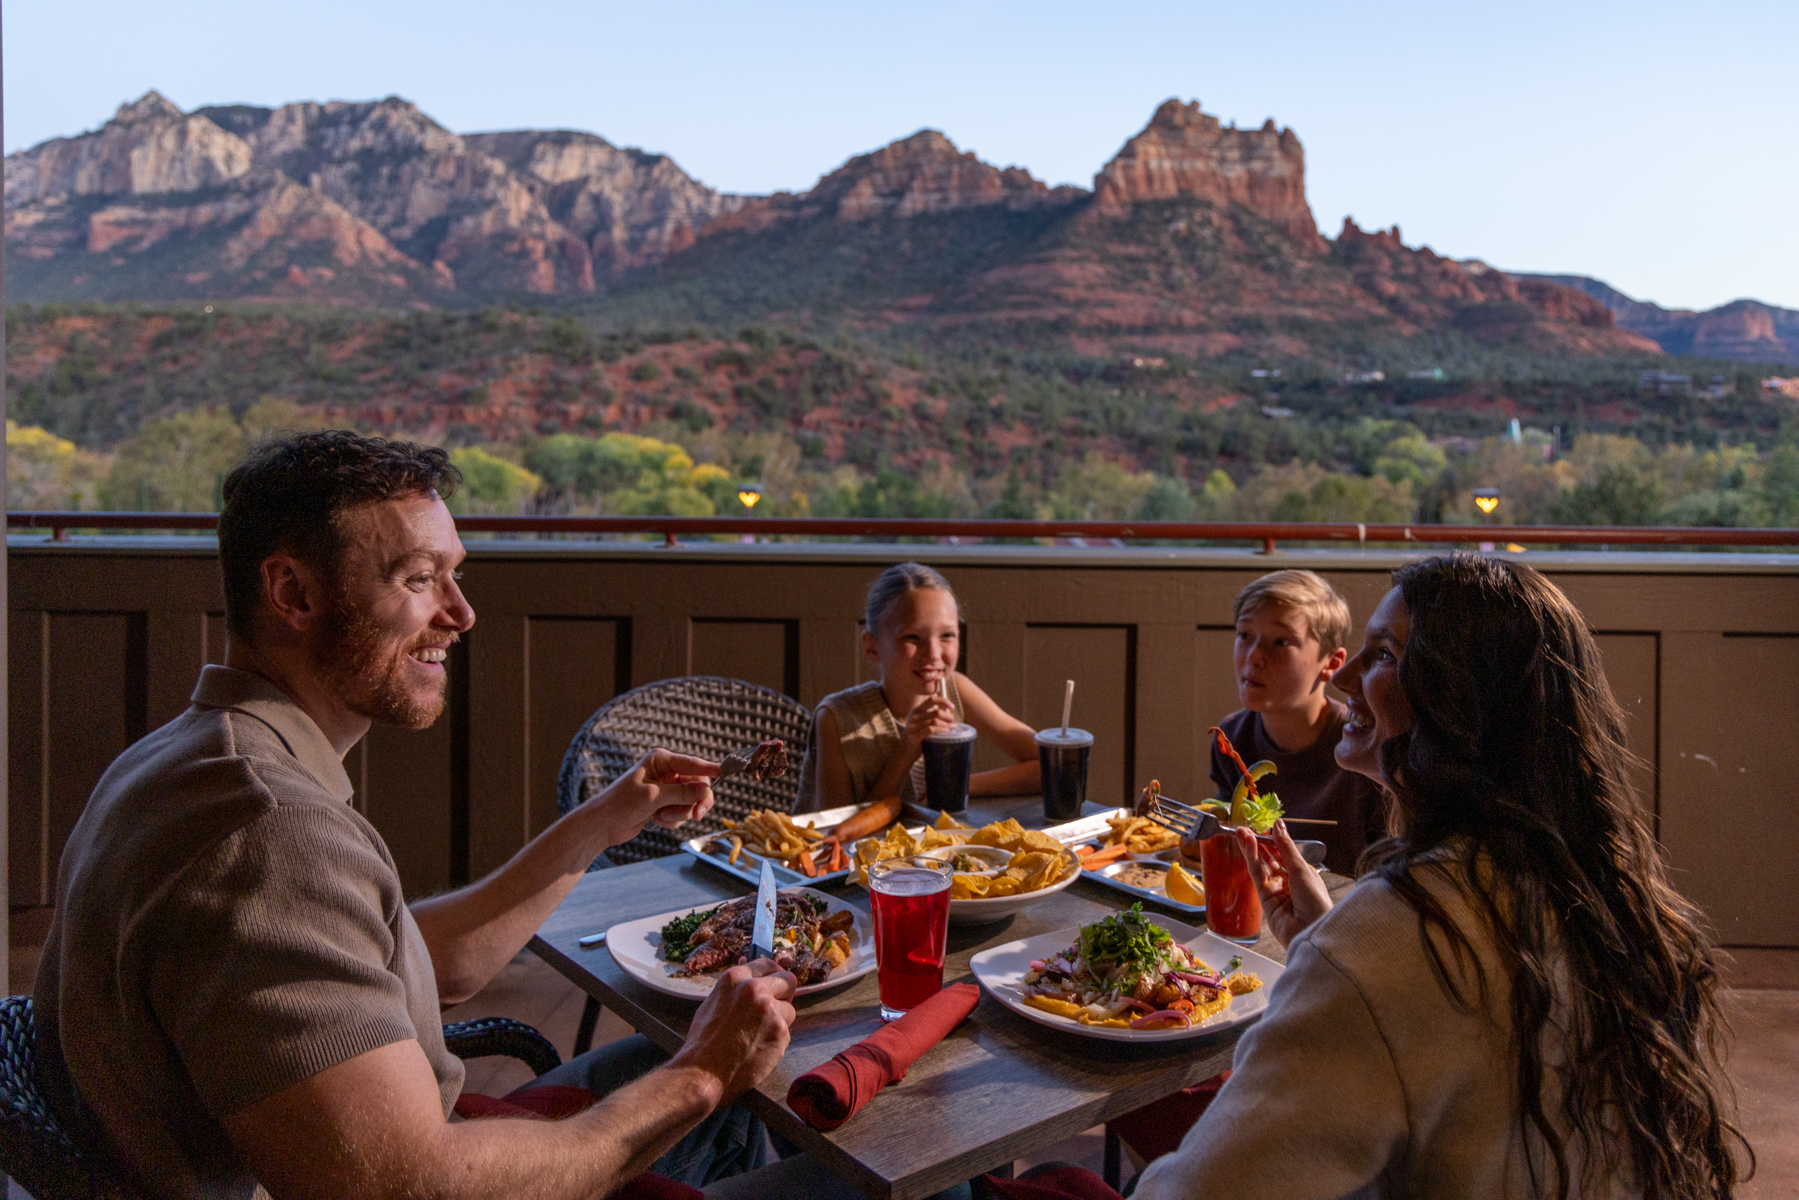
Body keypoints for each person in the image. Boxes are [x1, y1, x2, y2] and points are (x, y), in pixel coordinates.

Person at [33, 432, 798, 1200]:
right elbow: (406, 1187)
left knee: (710, 1091)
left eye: (454, 576)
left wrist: (603, 821)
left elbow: (417, 965)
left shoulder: (188, 759)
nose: (461, 614)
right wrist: (699, 1075)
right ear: (293, 593)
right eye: (419, 578)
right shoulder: (269, 834)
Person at [1135, 553, 1747, 1199]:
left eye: (1383, 656)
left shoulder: (1399, 935)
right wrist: (1326, 936)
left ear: (1458, 700)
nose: (1341, 682)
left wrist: (1344, 956)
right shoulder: (1596, 892)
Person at [795, 562, 1039, 813]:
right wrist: (907, 749)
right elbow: (836, 836)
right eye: (912, 637)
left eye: (947, 636)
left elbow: (1047, 766)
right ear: (871, 647)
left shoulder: (957, 691)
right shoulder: (836, 718)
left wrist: (961, 785)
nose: (933, 654)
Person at [1208, 568, 1384, 876]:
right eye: (1245, 635)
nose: (1254, 656)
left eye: (1280, 642)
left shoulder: (1364, 749)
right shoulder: (1232, 739)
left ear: (1331, 664)